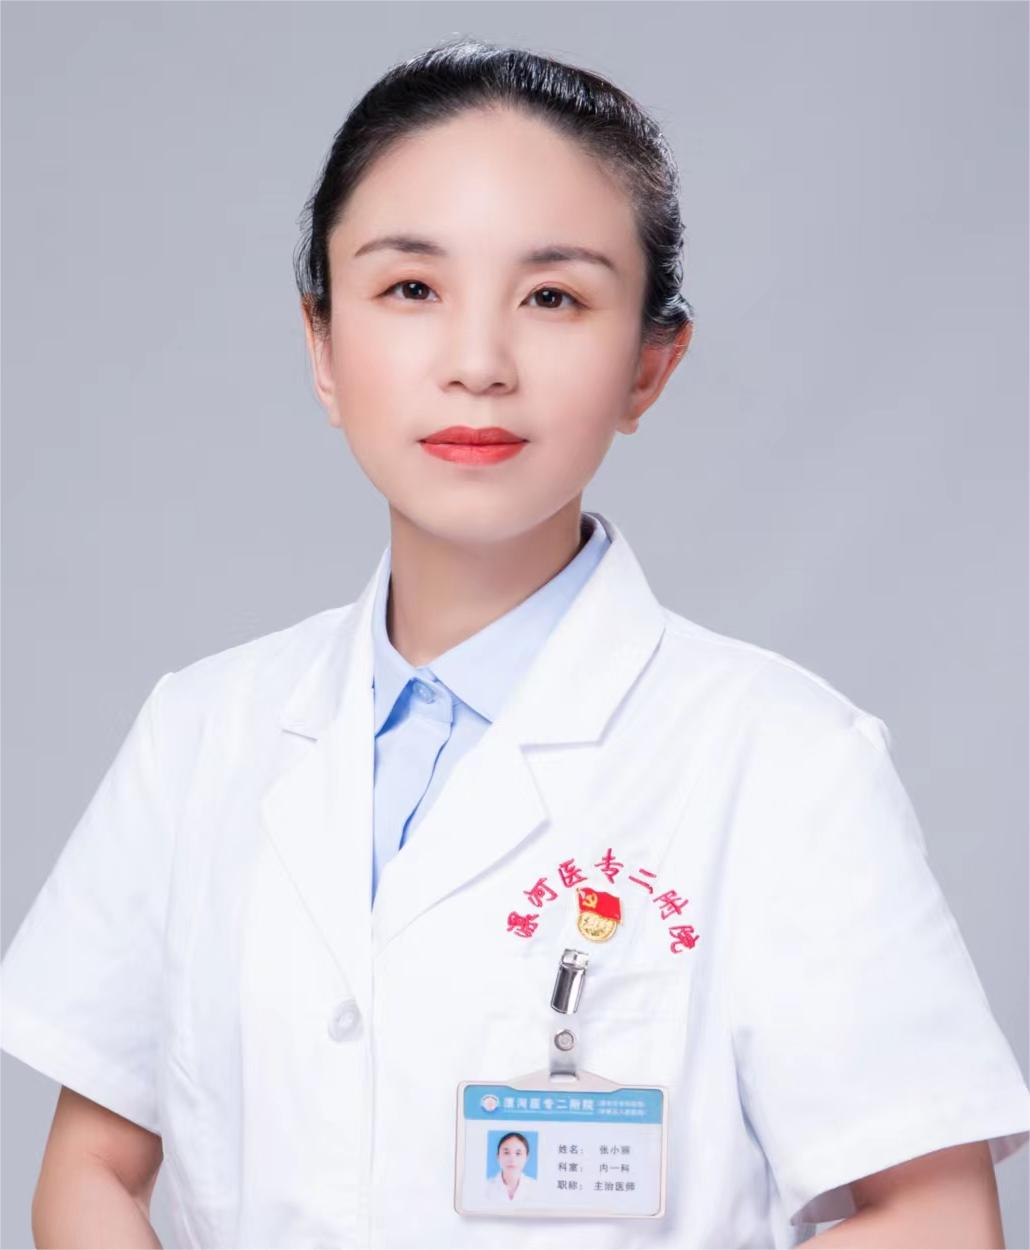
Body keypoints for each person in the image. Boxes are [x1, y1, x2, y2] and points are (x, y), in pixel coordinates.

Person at [2, 32, 1028, 1250]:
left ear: (649, 363)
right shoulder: (200, 733)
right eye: (410, 289)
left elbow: (934, 1214)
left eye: (553, 297)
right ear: (322, 344)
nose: (477, 364)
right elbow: (93, 1165)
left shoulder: (786, 762)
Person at [483, 1132, 538, 1206]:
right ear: (498, 1157)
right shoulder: (485, 1188)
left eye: (518, 1153)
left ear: (526, 1158)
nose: (512, 1159)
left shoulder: (536, 1188)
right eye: (506, 1152)